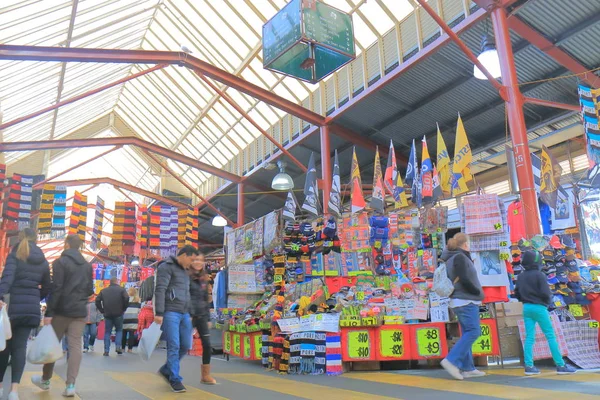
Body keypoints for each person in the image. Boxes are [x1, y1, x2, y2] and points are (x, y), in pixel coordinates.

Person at [32, 234, 93, 398]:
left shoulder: (59, 262)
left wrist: (49, 313)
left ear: (66, 244)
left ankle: (45, 380)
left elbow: (56, 288)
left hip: (61, 311)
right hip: (79, 311)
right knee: (75, 347)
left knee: (52, 344)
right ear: (79, 246)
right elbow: (90, 290)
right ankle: (71, 385)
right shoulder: (87, 266)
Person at [0, 228, 51, 400]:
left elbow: (7, 278)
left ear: (20, 238)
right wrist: (37, 296)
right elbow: (47, 286)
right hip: (31, 308)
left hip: (12, 306)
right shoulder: (43, 260)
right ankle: (14, 390)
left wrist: (0, 296)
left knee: (5, 346)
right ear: (36, 239)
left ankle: (0, 386)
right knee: (20, 347)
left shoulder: (16, 254)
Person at [515, 250, 577, 375]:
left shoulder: (521, 276)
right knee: (550, 335)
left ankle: (529, 366)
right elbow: (546, 293)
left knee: (529, 337)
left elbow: (517, 293)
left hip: (526, 307)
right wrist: (547, 302)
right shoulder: (540, 275)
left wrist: (525, 300)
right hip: (539, 308)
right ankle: (560, 365)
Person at [439, 233, 485, 380]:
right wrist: (476, 291)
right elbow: (464, 278)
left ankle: (468, 367)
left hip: (461, 300)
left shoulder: (453, 256)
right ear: (465, 244)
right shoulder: (459, 257)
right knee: (474, 331)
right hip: (465, 300)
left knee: (467, 332)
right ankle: (451, 360)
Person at [155, 245, 199, 393]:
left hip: (185, 313)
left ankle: (166, 369)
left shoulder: (186, 272)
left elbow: (188, 293)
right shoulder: (166, 267)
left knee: (186, 345)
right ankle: (175, 379)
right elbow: (160, 289)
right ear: (184, 255)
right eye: (191, 259)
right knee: (174, 345)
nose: (192, 263)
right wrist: (159, 312)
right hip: (170, 312)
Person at [189, 254, 216, 385]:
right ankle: (171, 371)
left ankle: (205, 375)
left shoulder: (204, 279)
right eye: (195, 260)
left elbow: (206, 299)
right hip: (188, 316)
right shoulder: (186, 277)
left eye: (200, 260)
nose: (198, 262)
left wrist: (208, 317)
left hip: (202, 315)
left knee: (207, 344)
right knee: (181, 345)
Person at [95, 277, 129, 356]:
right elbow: (126, 298)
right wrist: (124, 308)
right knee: (119, 330)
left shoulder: (104, 291)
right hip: (119, 313)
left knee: (107, 332)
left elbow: (97, 300)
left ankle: (106, 350)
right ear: (117, 282)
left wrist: (102, 310)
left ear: (110, 282)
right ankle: (118, 347)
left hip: (107, 314)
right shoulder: (121, 290)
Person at [122, 288, 141, 353]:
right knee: (131, 334)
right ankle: (130, 349)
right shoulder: (138, 301)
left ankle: (122, 348)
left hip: (125, 318)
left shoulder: (125, 300)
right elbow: (139, 311)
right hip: (134, 319)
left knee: (123, 334)